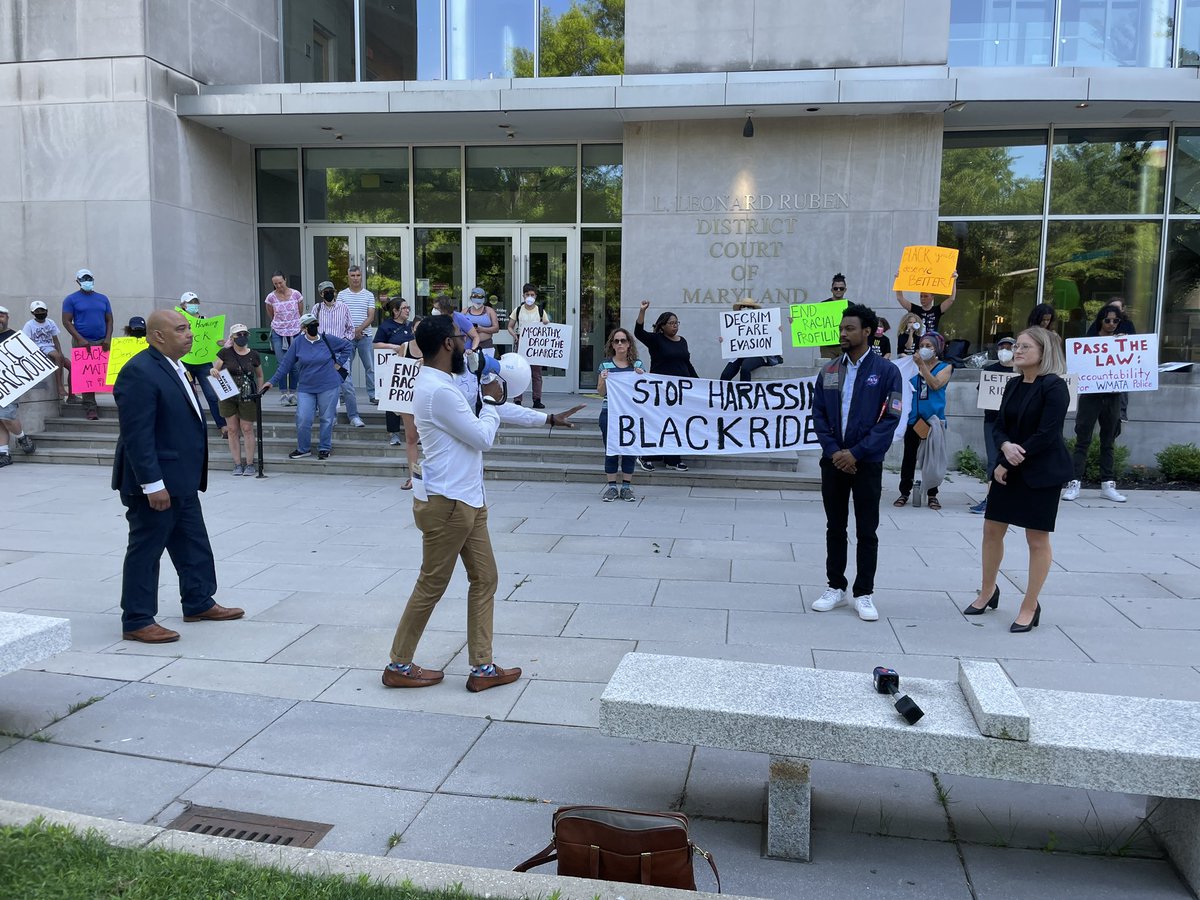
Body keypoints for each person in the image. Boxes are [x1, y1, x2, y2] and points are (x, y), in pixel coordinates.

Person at [381, 315, 581, 693]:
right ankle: (399, 664)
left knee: (485, 578)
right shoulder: (437, 391)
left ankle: (482, 668)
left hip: (468, 499)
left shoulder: (450, 381)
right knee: (432, 584)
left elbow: (491, 408)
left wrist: (547, 419)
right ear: (446, 344)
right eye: (461, 337)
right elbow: (482, 435)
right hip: (448, 503)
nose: (468, 342)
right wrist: (490, 400)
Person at [112, 309, 244, 643]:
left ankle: (199, 601)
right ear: (157, 336)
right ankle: (138, 619)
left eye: (188, 328)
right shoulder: (139, 372)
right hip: (155, 483)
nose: (189, 334)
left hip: (181, 478)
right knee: (147, 548)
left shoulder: (176, 366)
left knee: (193, 543)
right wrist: (152, 484)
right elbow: (137, 435)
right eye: (181, 329)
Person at [963, 326, 1071, 633]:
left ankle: (1030, 605)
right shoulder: (1012, 385)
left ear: (1043, 352)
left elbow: (1047, 434)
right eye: (1017, 346)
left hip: (1041, 472)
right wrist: (1003, 452)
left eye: (1025, 347)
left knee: (1036, 540)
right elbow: (998, 426)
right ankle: (987, 590)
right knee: (992, 530)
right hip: (1008, 466)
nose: (1017, 351)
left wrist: (1013, 458)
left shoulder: (1053, 387)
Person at [810, 302, 903, 623]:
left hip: (866, 463)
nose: (843, 334)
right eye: (841, 329)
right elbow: (818, 413)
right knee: (835, 526)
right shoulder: (830, 370)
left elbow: (890, 417)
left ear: (868, 331)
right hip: (833, 461)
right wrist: (835, 451)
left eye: (849, 329)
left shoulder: (886, 372)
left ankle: (864, 593)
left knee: (867, 530)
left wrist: (857, 453)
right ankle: (835, 586)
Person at [263, 312, 352, 461]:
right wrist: (272, 381)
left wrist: (339, 363)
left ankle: (324, 448)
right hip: (306, 387)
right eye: (310, 325)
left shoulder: (327, 339)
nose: (313, 327)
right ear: (303, 328)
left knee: (327, 418)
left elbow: (347, 346)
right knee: (303, 418)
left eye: (315, 324)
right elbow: (285, 364)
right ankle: (303, 448)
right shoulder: (298, 343)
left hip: (328, 384)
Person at [1063, 304, 1127, 504]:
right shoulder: (1088, 343)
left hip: (1113, 396)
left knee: (1108, 442)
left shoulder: (1123, 342)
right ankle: (1074, 483)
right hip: (1091, 396)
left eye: (1115, 321)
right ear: (1100, 320)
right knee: (1083, 440)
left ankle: (1108, 484)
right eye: (1107, 320)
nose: (1111, 324)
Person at [634, 299, 698, 472]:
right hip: (661, 390)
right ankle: (645, 456)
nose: (675, 326)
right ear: (662, 326)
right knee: (658, 422)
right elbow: (638, 332)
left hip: (679, 391)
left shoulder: (682, 341)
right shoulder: (656, 340)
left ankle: (673, 459)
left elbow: (687, 363)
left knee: (676, 423)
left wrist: (698, 383)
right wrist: (642, 311)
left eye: (677, 323)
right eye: (671, 323)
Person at [895, 331, 952, 510]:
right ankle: (904, 492)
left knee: (932, 458)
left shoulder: (945, 367)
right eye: (922, 346)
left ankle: (932, 494)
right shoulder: (912, 366)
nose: (924, 349)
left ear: (937, 349)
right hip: (914, 419)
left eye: (929, 346)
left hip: (934, 420)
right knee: (909, 457)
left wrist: (922, 366)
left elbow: (935, 384)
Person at [374, 298, 422, 488]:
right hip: (409, 400)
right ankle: (414, 477)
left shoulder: (435, 349)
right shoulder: (405, 347)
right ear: (412, 330)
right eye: (417, 328)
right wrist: (394, 403)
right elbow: (397, 374)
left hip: (428, 400)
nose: (419, 331)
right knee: (411, 438)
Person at [970, 335, 1016, 515]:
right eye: (1002, 347)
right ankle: (991, 498)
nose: (1005, 350)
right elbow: (983, 393)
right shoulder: (990, 370)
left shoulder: (1020, 371)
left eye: (1009, 347)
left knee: (1012, 459)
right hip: (992, 421)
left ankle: (1010, 497)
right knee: (992, 459)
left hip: (1014, 422)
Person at [210, 323, 264, 476]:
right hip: (228, 393)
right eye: (238, 335)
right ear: (232, 338)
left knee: (247, 428)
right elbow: (216, 368)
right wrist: (214, 371)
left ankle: (250, 463)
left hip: (247, 393)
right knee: (232, 429)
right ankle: (237, 463)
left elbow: (259, 375)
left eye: (244, 334)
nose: (242, 337)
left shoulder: (253, 354)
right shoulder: (225, 353)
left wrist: (259, 392)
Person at [597, 327, 644, 502]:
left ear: (629, 343)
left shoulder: (637, 365)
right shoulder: (605, 365)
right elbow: (601, 393)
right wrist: (603, 379)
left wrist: (641, 376)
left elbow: (643, 391)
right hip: (609, 412)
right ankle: (611, 487)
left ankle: (626, 487)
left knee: (629, 449)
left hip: (630, 413)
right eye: (616, 341)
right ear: (612, 345)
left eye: (623, 340)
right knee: (611, 449)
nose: (619, 344)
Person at [61, 268, 113, 419]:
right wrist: (80, 339)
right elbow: (66, 321)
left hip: (102, 341)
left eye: (89, 278)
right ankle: (90, 407)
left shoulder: (103, 298)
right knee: (87, 375)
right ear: (78, 281)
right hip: (82, 342)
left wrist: (108, 338)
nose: (87, 281)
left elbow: (109, 319)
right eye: (83, 279)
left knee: (104, 373)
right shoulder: (71, 299)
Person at [315, 279, 364, 428]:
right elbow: (309, 328)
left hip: (340, 353)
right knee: (328, 387)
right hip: (323, 353)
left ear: (335, 292)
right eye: (325, 291)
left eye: (331, 290)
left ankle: (354, 416)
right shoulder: (317, 309)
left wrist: (345, 341)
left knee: (347, 384)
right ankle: (331, 416)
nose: (329, 293)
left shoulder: (343, 307)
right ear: (321, 294)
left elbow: (351, 327)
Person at [176, 291, 227, 435]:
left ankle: (222, 425)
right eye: (190, 303)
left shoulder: (206, 320)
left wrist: (219, 343)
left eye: (195, 302)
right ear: (183, 305)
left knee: (211, 394)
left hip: (204, 362)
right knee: (190, 394)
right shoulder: (179, 321)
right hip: (186, 362)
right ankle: (193, 426)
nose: (194, 305)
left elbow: (213, 339)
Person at [0, 306, 37, 468]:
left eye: (1, 316)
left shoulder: (16, 337)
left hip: (9, 384)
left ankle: (22, 437)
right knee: (0, 420)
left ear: (7, 317)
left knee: (6, 416)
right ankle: (4, 453)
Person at [338, 264, 377, 405]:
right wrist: (352, 332)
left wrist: (359, 330)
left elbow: (371, 316)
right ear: (348, 277)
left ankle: (373, 395)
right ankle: (343, 394)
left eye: (358, 275)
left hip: (365, 337)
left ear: (361, 276)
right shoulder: (342, 295)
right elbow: (340, 315)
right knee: (345, 367)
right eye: (352, 275)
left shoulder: (369, 295)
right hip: (347, 338)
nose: (355, 278)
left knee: (370, 367)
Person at [507, 283, 550, 408]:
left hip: (536, 344)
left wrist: (546, 323)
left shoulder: (540, 310)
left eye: (532, 295)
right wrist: (515, 336)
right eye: (527, 295)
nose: (529, 297)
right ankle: (517, 399)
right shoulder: (518, 310)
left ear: (535, 296)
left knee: (536, 373)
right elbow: (510, 326)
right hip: (521, 341)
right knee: (519, 371)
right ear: (523, 296)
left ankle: (537, 399)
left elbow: (547, 326)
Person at [264, 270, 303, 407]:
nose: (278, 286)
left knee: (295, 364)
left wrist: (293, 325)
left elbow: (300, 312)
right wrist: (280, 325)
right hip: (278, 332)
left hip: (295, 332)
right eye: (275, 284)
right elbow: (271, 313)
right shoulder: (271, 297)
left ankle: (292, 393)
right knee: (282, 363)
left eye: (280, 282)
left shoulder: (296, 294)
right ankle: (283, 393)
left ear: (285, 280)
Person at [718, 298, 780, 382]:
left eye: (749, 307)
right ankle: (723, 393)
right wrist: (724, 340)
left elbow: (772, 334)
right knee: (725, 375)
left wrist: (778, 329)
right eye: (743, 306)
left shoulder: (761, 322)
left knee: (745, 368)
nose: (746, 308)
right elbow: (731, 339)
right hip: (739, 354)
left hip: (757, 354)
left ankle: (744, 392)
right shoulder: (735, 324)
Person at [22, 300, 68, 397]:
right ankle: (60, 386)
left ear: (46, 311)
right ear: (32, 313)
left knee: (71, 366)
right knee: (58, 357)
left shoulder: (50, 322)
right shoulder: (29, 325)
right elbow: (26, 342)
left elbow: (55, 339)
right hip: (39, 349)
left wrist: (60, 353)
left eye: (42, 310)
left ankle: (72, 396)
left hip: (51, 348)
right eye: (37, 311)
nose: (40, 313)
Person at [894, 270, 958, 335]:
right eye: (921, 296)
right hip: (918, 341)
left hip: (932, 340)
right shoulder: (915, 309)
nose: (922, 299)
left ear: (932, 297)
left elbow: (951, 299)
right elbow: (900, 298)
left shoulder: (937, 310)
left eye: (926, 296)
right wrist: (898, 281)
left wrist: (953, 281)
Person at [463, 286, 500, 352]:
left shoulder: (490, 311)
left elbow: (496, 328)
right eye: (475, 297)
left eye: (480, 298)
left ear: (484, 299)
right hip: (468, 345)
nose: (477, 302)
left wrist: (482, 329)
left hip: (486, 344)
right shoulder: (465, 311)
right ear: (471, 298)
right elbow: (458, 326)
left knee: (486, 362)